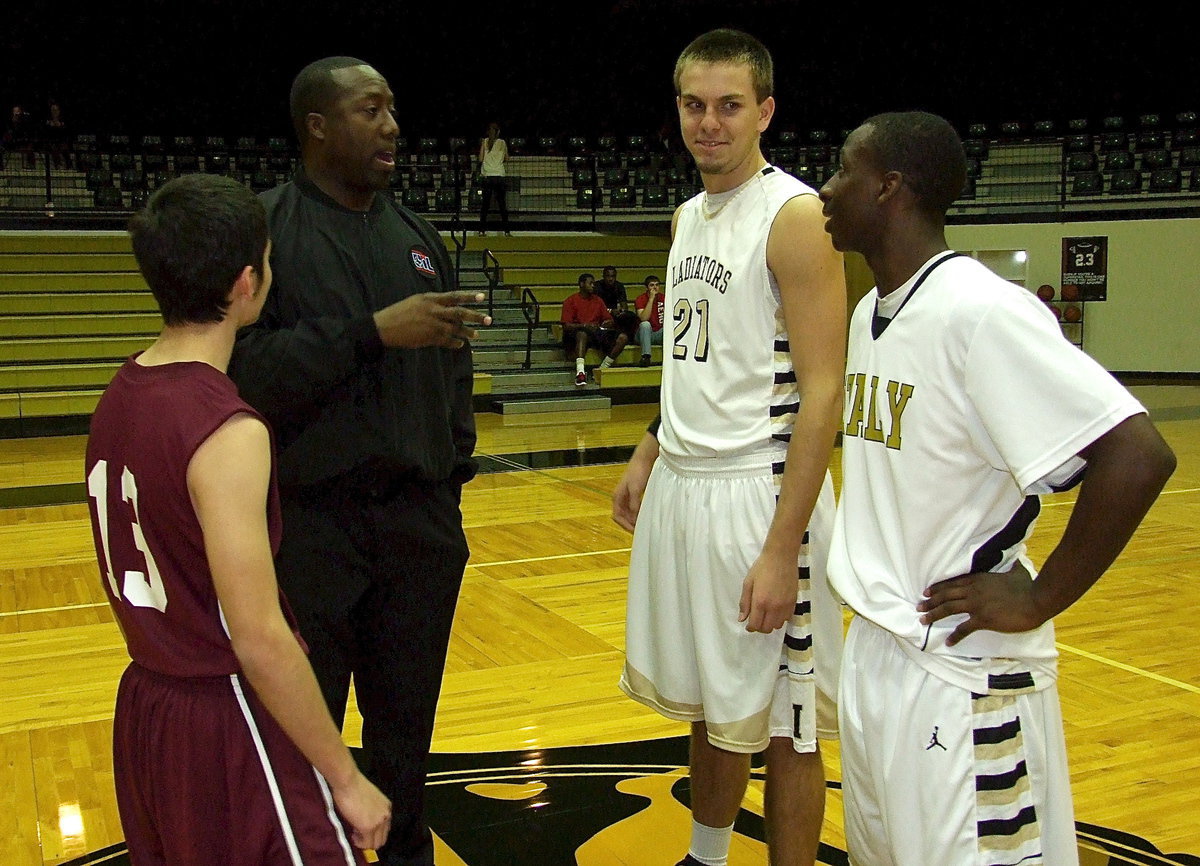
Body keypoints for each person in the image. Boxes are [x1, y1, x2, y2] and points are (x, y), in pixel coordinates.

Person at [818, 111, 1176, 866]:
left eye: (844, 170)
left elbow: (1138, 454)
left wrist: (1040, 599)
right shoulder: (867, 314)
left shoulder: (981, 311)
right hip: (880, 643)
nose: (827, 187)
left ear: (889, 188)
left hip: (961, 667)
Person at [227, 56, 491, 866]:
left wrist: (449, 487)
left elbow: (453, 378)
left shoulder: (417, 237)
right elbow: (244, 372)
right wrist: (371, 332)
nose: (392, 127)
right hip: (310, 530)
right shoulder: (264, 231)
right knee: (303, 737)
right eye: (370, 111)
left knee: (406, 738)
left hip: (417, 531)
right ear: (317, 126)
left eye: (392, 110)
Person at [84, 173, 392, 864]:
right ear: (249, 281)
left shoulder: (120, 394)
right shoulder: (225, 429)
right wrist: (346, 778)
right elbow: (259, 638)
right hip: (229, 712)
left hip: (148, 707)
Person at [612, 29, 846, 866]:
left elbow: (824, 391)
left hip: (763, 489)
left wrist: (784, 547)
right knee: (717, 705)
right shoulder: (686, 215)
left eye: (729, 106)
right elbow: (697, 352)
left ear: (766, 111)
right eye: (694, 105)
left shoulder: (796, 218)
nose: (709, 123)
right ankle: (704, 859)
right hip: (688, 479)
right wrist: (649, 445)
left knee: (789, 723)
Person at [561, 271, 629, 385]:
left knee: (623, 338)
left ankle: (602, 368)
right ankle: (580, 373)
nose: (593, 285)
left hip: (596, 332)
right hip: (576, 334)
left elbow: (609, 320)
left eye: (593, 283)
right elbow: (566, 326)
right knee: (582, 334)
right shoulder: (570, 301)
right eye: (590, 283)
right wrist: (584, 325)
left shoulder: (598, 300)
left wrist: (607, 323)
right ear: (581, 284)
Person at [477, 121, 510, 236]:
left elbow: (481, 159)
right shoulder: (502, 143)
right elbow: (507, 158)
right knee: (502, 205)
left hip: (487, 175)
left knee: (485, 205)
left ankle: (481, 230)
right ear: (498, 132)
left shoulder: (485, 142)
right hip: (499, 175)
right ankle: (506, 231)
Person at [596, 264, 640, 340]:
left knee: (630, 316)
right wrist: (610, 311)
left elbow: (624, 305)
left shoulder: (619, 286)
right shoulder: (597, 286)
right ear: (603, 276)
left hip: (614, 314)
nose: (610, 279)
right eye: (608, 276)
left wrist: (621, 311)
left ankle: (629, 339)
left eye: (613, 276)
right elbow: (595, 307)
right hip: (600, 314)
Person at [633, 274, 665, 366]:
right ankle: (646, 357)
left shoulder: (664, 298)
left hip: (658, 333)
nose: (655, 287)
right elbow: (643, 318)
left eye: (657, 285)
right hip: (643, 334)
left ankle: (671, 359)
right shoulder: (640, 299)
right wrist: (651, 299)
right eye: (652, 285)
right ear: (647, 287)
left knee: (669, 328)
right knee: (645, 324)